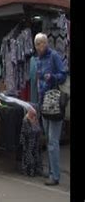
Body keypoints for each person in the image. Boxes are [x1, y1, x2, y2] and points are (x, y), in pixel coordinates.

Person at [34, 32, 66, 186]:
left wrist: (52, 77)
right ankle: (52, 171)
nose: (41, 46)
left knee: (53, 141)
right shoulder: (38, 60)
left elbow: (63, 74)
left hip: (54, 103)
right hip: (44, 103)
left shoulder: (54, 56)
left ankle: (56, 176)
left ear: (47, 43)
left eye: (42, 43)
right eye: (38, 44)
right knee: (48, 140)